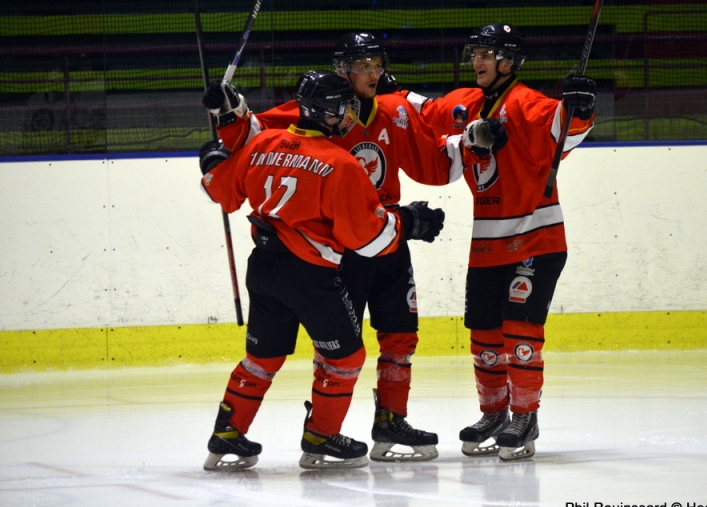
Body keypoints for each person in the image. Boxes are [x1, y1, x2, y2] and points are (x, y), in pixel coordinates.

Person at [201, 32, 501, 462]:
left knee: (401, 335)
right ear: (343, 72)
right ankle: (323, 432)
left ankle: (390, 420)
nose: (374, 73)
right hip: (342, 244)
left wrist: (470, 146)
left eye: (378, 64)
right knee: (339, 349)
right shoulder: (314, 116)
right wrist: (229, 112)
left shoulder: (394, 111)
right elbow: (254, 133)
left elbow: (433, 165)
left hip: (386, 236)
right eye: (364, 66)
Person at [415, 24, 597, 461]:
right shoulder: (467, 102)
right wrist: (391, 92)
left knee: (520, 329)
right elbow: (423, 113)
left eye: (486, 54)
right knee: (483, 334)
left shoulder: (527, 103)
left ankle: (525, 415)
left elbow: (566, 129)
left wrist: (582, 106)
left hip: (536, 239)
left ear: (509, 62)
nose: (476, 61)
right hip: (487, 243)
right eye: (475, 53)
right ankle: (494, 413)